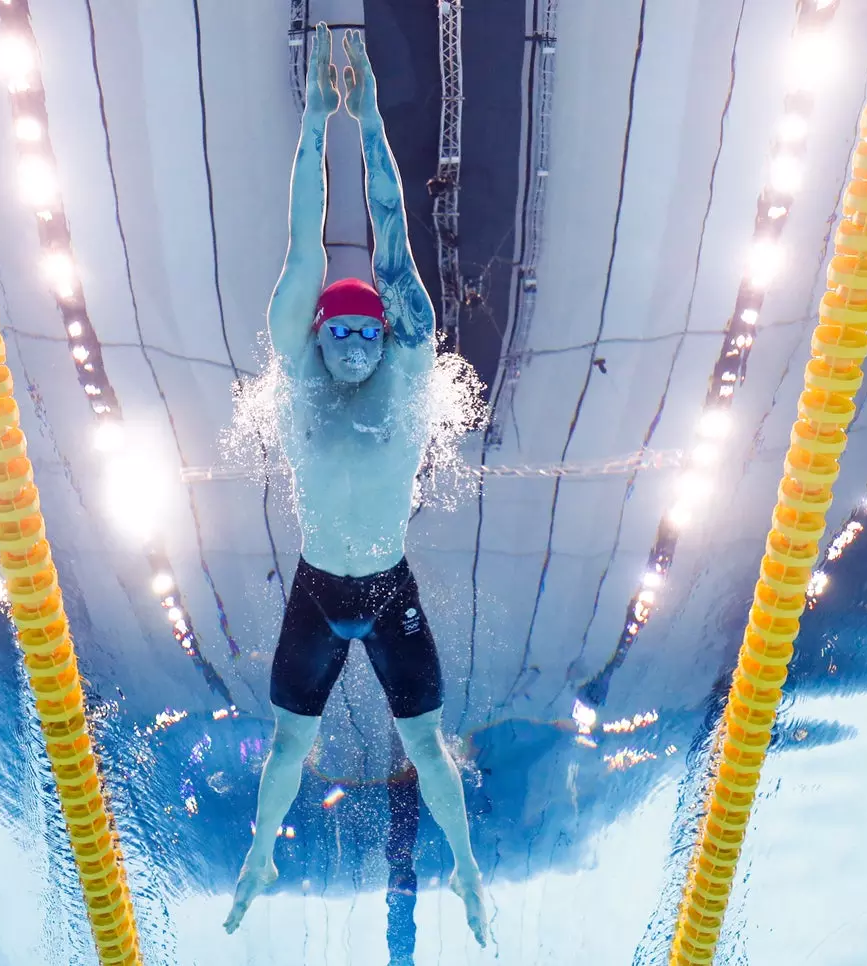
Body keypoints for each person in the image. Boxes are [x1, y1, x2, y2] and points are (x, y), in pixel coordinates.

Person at [223, 25, 488, 946]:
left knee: (426, 746)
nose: (352, 347)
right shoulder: (297, 373)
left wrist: (371, 123)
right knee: (289, 743)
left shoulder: (407, 376)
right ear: (315, 334)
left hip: (387, 593)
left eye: (366, 334)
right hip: (316, 590)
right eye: (337, 333)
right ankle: (261, 853)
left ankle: (467, 868)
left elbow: (394, 235)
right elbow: (305, 249)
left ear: (385, 337)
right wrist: (316, 124)